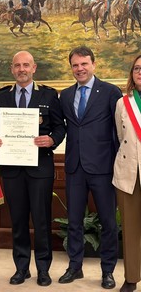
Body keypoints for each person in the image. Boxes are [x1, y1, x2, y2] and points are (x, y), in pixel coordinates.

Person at [0, 51, 66, 286]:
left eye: (26, 65)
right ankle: (21, 268)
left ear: (34, 68)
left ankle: (43, 268)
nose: (21, 69)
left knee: (41, 220)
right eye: (17, 66)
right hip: (11, 169)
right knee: (18, 221)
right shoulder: (2, 97)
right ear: (12, 69)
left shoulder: (49, 95)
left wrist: (52, 140)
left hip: (40, 168)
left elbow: (60, 127)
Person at [58, 46, 122, 289]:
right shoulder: (64, 95)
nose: (79, 69)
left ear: (93, 64)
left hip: (104, 167)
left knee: (108, 222)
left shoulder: (110, 92)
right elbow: (61, 128)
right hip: (75, 168)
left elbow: (119, 129)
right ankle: (75, 267)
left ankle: (107, 271)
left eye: (84, 64)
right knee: (74, 221)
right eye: (75, 65)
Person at [113, 55, 141, 292]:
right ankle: (131, 277)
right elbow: (121, 137)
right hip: (129, 172)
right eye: (137, 68)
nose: (140, 72)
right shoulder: (123, 103)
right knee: (130, 229)